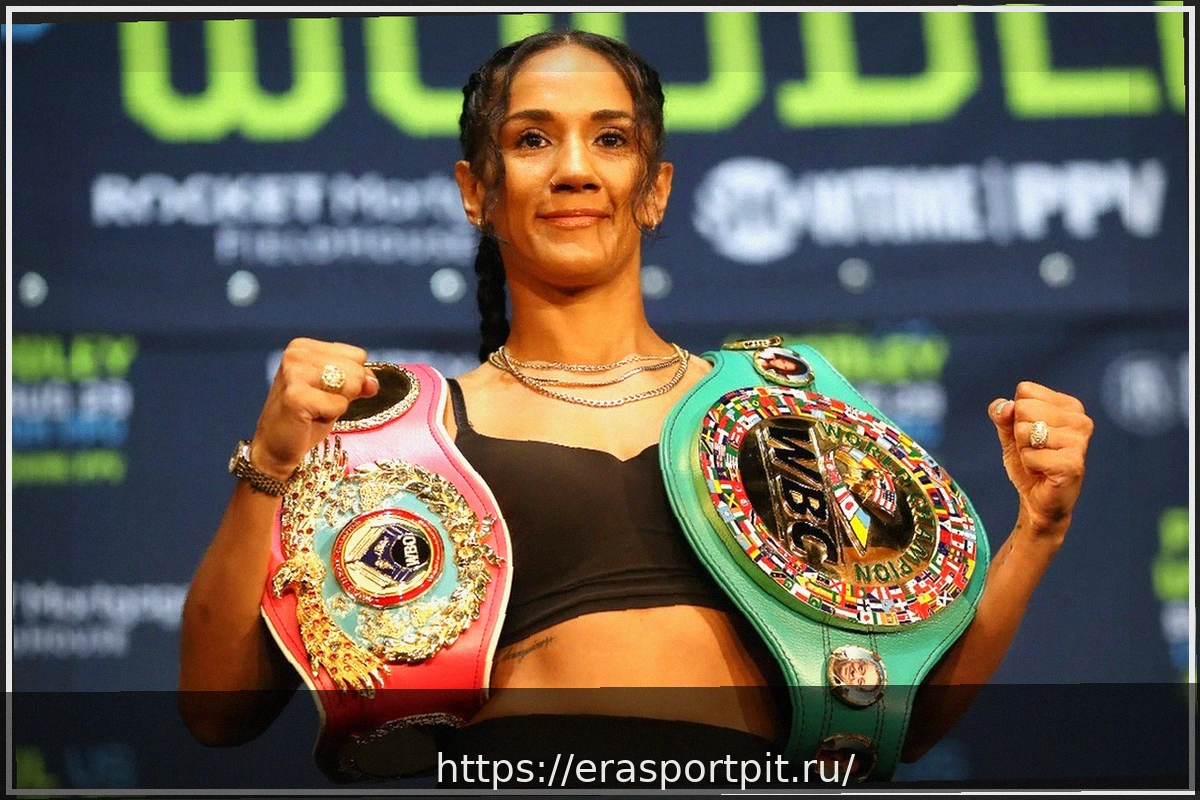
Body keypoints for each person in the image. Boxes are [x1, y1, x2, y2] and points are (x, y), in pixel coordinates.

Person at [178, 30, 1094, 782]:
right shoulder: (405, 435)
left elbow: (900, 723)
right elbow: (217, 713)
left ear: (654, 189)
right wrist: (273, 466)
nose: (575, 169)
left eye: (610, 140)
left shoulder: (778, 416)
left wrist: (1037, 533)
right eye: (532, 140)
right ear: (476, 192)